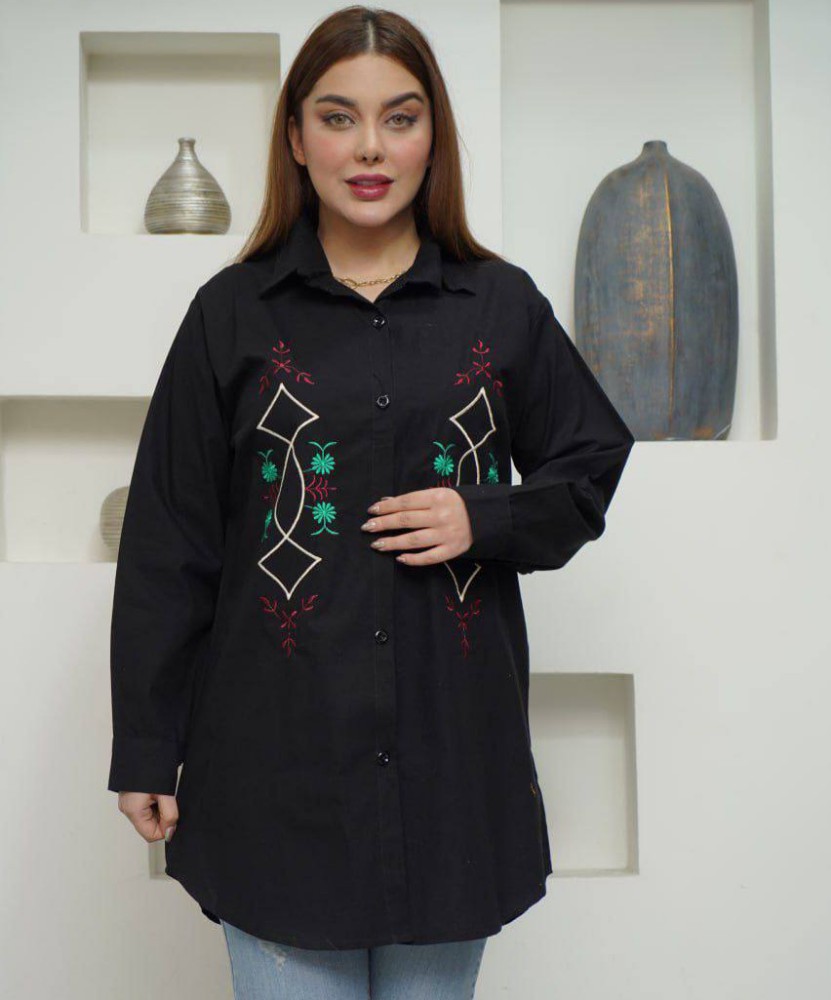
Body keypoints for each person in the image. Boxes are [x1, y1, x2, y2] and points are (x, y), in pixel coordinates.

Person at [107, 5, 635, 998]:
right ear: (295, 137)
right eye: (338, 116)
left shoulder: (500, 305)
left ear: (433, 136)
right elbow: (169, 540)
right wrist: (145, 743)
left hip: (451, 767)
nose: (369, 148)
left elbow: (589, 460)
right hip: (274, 773)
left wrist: (485, 516)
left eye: (399, 117)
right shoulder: (231, 315)